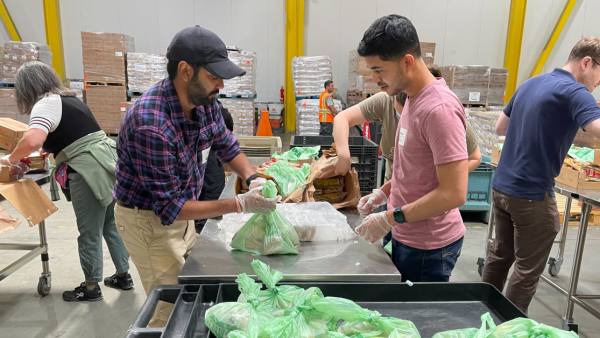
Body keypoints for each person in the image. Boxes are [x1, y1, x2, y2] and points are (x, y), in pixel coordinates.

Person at [113, 26, 279, 327]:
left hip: (182, 210)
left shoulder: (205, 102)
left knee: (194, 286)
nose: (220, 84)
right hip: (149, 222)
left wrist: (253, 177)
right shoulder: (151, 124)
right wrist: (239, 204)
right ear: (186, 70)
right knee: (169, 307)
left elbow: (225, 143)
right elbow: (170, 208)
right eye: (214, 75)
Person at [483, 37, 600, 314]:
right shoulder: (575, 92)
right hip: (532, 195)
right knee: (526, 270)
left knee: (500, 257)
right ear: (587, 63)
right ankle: (507, 329)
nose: (598, 84)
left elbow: (501, 127)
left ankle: (482, 314)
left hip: (502, 188)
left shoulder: (531, 82)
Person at [0, 61, 132, 302]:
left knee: (89, 231)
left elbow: (32, 141)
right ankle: (123, 276)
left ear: (27, 88)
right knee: (111, 224)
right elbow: (74, 136)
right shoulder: (71, 100)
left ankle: (91, 288)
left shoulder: (45, 104)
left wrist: (10, 159)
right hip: (109, 164)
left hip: (87, 171)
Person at [350, 15, 469, 282]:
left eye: (379, 70)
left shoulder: (439, 110)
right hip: (405, 232)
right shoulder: (412, 99)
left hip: (429, 247)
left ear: (407, 61)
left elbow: (453, 193)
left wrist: (391, 217)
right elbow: (413, 169)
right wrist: (383, 193)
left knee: (415, 320)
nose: (374, 79)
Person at [195, 100, 234, 233]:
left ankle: (199, 225)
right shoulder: (205, 102)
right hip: (206, 149)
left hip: (200, 150)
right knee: (213, 189)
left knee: (202, 188)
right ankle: (202, 228)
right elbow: (226, 118)